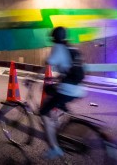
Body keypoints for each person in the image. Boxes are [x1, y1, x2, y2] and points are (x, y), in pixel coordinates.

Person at [40, 26, 87, 159]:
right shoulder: (72, 48)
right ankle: (57, 120)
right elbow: (71, 68)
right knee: (51, 91)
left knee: (43, 112)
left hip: (68, 89)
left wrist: (32, 78)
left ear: (53, 38)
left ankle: (55, 149)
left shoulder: (58, 47)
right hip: (79, 89)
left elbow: (47, 64)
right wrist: (57, 78)